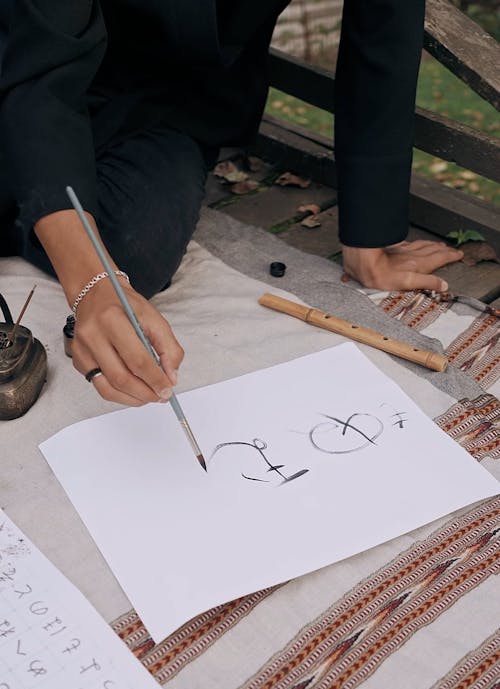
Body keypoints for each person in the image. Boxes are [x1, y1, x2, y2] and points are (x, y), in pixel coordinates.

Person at [0, 0, 462, 408]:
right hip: (26, 59)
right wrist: (90, 282)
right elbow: (40, 71)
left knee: (133, 251)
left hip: (166, 102)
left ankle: (35, 200)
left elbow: (383, 26)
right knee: (77, 242)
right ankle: (36, 195)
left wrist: (368, 232)